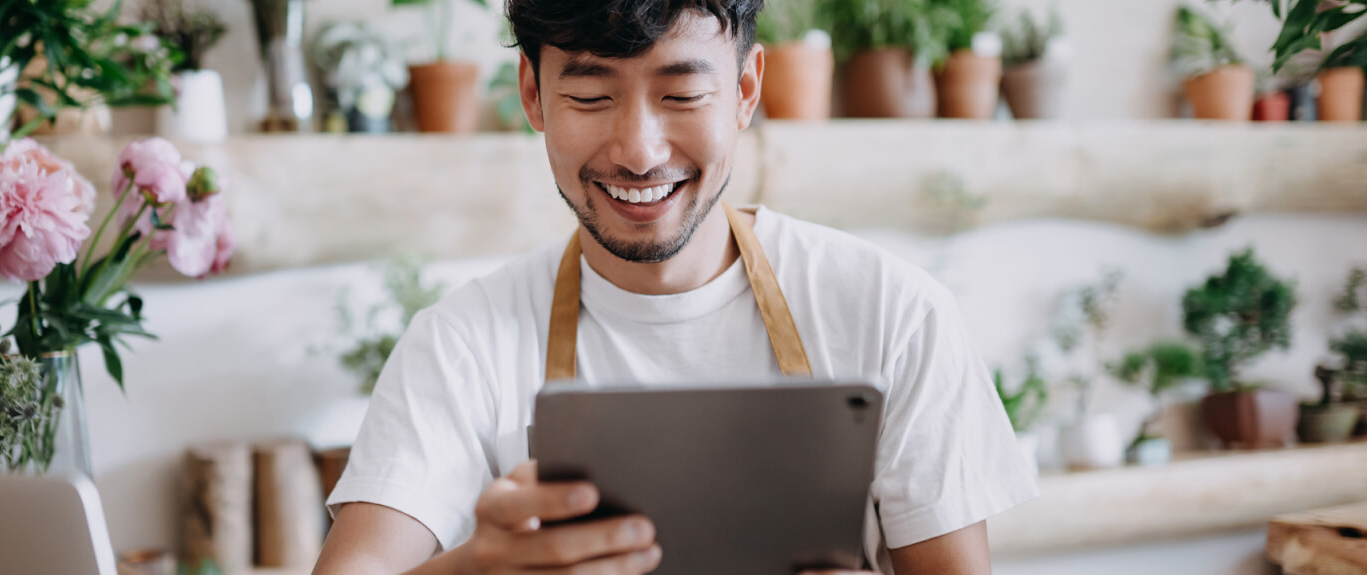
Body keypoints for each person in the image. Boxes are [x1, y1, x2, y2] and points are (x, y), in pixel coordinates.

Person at [312, 1, 1038, 573]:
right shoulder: (460, 345)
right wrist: (476, 570)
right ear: (533, 95)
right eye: (592, 95)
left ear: (746, 89)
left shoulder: (895, 314)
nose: (639, 151)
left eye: (683, 92)